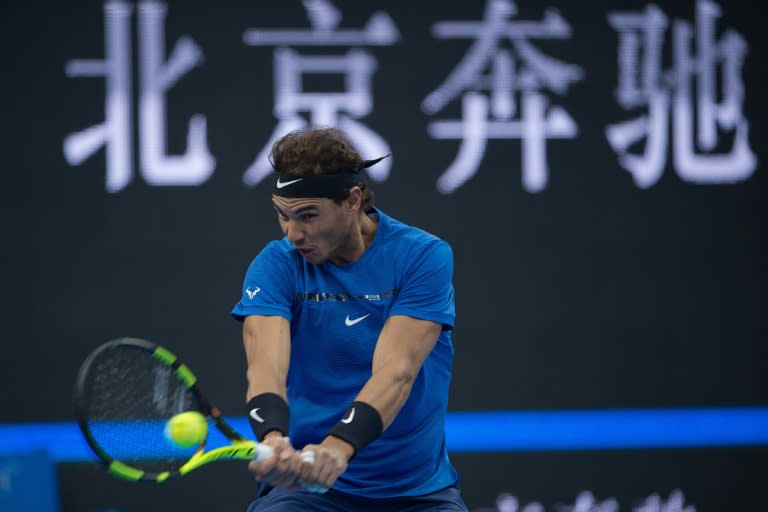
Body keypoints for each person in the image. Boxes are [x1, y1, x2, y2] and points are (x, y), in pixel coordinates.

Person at [231, 127, 467, 511]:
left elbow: (396, 372)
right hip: (308, 492)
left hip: (417, 493)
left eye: (307, 216)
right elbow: (265, 369)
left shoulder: (422, 256)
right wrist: (273, 436)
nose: (293, 234)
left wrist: (339, 447)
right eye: (282, 216)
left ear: (352, 200)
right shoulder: (275, 265)